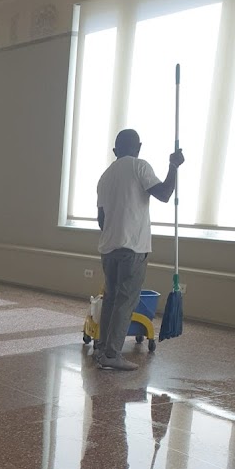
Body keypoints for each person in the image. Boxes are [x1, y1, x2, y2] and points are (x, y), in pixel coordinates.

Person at [96, 129, 184, 371]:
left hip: (108, 249)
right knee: (125, 301)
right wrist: (173, 166)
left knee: (111, 299)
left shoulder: (105, 177)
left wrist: (116, 227)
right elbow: (164, 194)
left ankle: (102, 348)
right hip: (132, 248)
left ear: (115, 151)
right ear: (139, 147)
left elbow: (101, 220)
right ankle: (112, 354)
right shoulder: (139, 166)